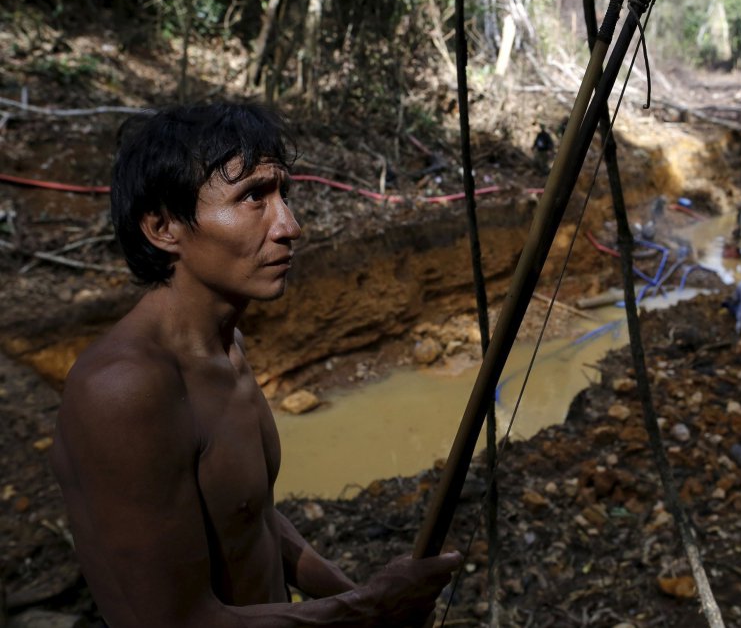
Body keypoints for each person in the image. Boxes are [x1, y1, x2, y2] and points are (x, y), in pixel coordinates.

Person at [50, 103, 461, 627]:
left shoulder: (226, 347)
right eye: (252, 198)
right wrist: (370, 608)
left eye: (282, 194)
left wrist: (356, 594)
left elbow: (251, 517)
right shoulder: (124, 391)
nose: (289, 226)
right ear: (162, 226)